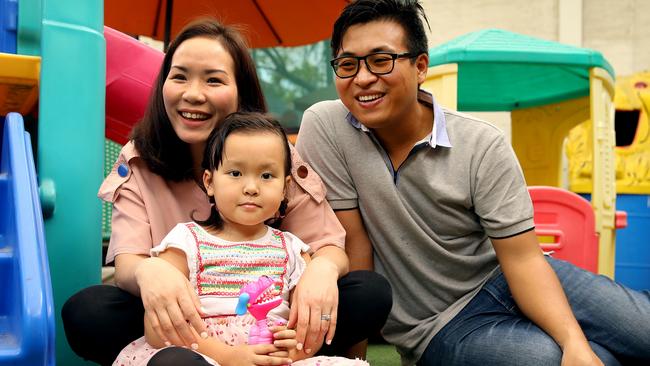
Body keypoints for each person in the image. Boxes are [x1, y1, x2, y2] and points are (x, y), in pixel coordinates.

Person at [295, 1, 650, 365]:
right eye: (348, 64)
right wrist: (356, 362)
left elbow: (524, 260)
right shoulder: (328, 128)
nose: (363, 78)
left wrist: (573, 339)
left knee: (639, 331)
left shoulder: (481, 144)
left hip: (505, 277)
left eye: (381, 60)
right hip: (440, 327)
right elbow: (356, 250)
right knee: (555, 360)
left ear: (420, 67)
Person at [62, 18, 391, 366]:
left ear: (240, 91)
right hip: (183, 321)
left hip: (274, 321)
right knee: (90, 312)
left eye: (214, 79)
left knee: (367, 293)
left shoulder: (275, 156)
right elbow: (129, 261)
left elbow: (327, 245)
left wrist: (319, 273)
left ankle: (277, 356)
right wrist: (150, 272)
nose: (193, 94)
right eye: (180, 76)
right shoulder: (140, 161)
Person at [113, 112, 368, 366]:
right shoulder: (185, 243)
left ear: (284, 188)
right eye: (235, 173)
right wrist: (231, 358)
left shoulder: (292, 250)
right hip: (206, 356)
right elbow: (158, 328)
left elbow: (311, 325)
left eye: (266, 176)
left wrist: (295, 350)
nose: (251, 187)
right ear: (209, 182)